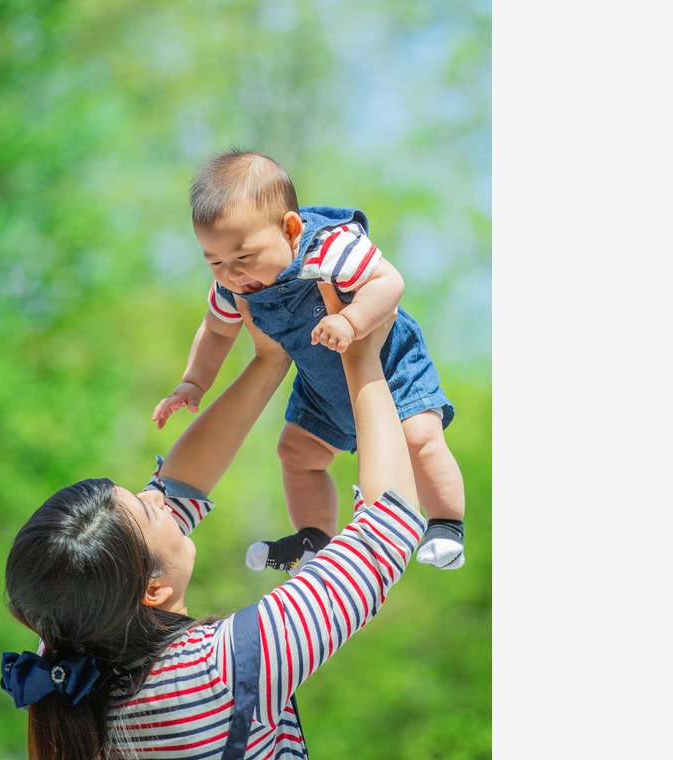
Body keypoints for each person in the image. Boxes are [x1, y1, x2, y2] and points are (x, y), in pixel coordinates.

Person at [1, 287, 427, 759]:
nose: (157, 495)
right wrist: (361, 355)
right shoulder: (228, 666)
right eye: (148, 508)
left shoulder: (71, 653)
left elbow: (177, 490)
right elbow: (387, 529)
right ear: (153, 589)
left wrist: (268, 360)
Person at [152, 149, 466, 574]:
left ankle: (446, 525)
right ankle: (314, 536)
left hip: (391, 368)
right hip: (321, 387)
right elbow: (216, 330)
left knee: (420, 440)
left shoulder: (330, 248)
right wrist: (193, 382)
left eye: (243, 258)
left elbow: (389, 282)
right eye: (215, 262)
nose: (231, 274)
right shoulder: (235, 287)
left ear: (291, 229)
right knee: (296, 452)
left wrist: (352, 320)